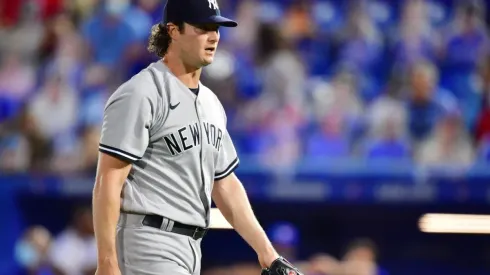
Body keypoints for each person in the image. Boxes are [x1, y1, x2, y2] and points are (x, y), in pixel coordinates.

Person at [92, 0, 303, 275]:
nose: (213, 36)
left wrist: (268, 254)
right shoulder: (141, 93)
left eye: (216, 28)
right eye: (203, 27)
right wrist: (107, 263)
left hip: (191, 247)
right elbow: (108, 180)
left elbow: (225, 184)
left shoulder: (211, 103)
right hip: (146, 241)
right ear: (173, 31)